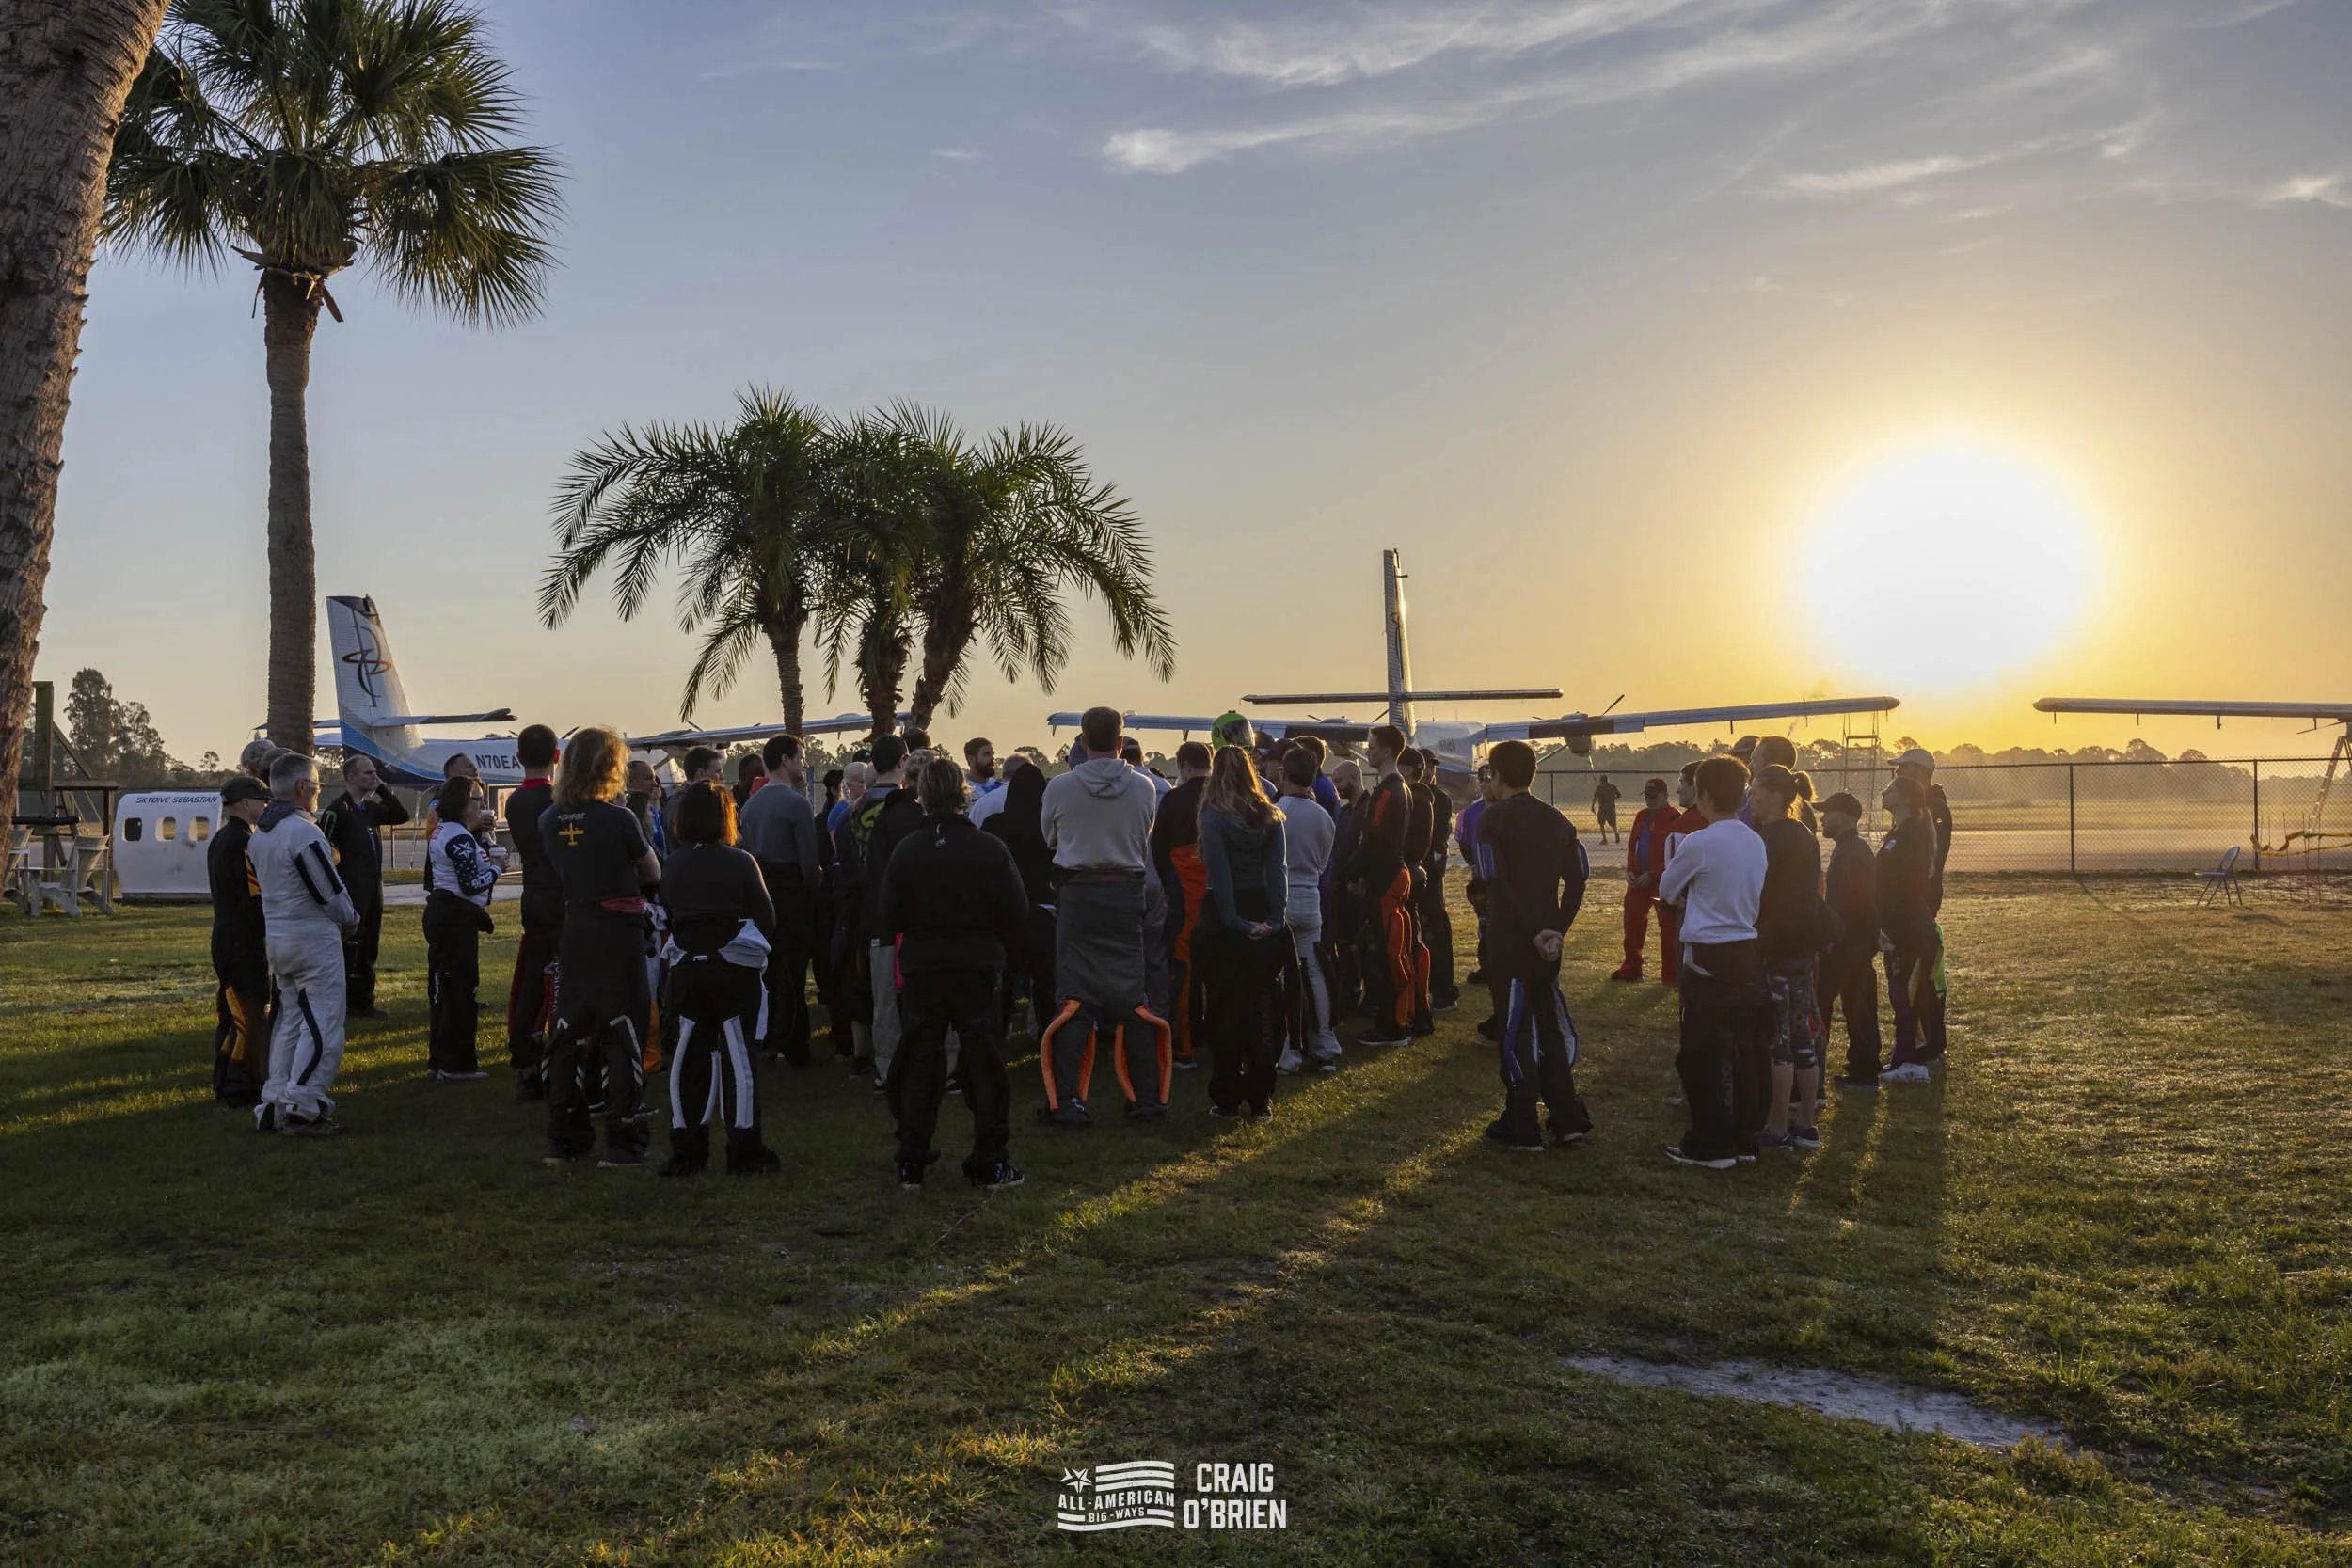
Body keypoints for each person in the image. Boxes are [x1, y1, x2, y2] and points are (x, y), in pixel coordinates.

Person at [880, 758, 1028, 1190]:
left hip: (925, 965)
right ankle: (990, 1157)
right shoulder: (988, 848)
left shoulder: (907, 850)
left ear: (922, 794)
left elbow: (888, 915)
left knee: (921, 1061)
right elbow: (1015, 912)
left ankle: (912, 1157)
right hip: (976, 963)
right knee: (983, 1060)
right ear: (962, 792)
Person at [1038, 705, 1170, 1125]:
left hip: (1077, 894)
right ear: (1120, 741)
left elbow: (1049, 837)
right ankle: (1147, 1097)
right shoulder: (1145, 787)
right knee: (1133, 994)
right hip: (1126, 894)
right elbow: (1143, 833)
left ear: (1081, 742)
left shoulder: (1059, 788)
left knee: (1075, 996)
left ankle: (1070, 1101)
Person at [540, 726, 662, 1167]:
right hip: (618, 932)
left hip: (576, 927)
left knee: (568, 1031)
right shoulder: (619, 818)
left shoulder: (549, 820)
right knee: (622, 1031)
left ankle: (565, 1136)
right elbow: (652, 873)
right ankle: (624, 1139)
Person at [656, 780, 781, 1178]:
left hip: (687, 968)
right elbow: (767, 918)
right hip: (732, 969)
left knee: (687, 1060)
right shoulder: (739, 861)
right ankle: (745, 1149)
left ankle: (686, 1148)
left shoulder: (672, 863)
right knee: (739, 1059)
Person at [1479, 740, 1593, 1151]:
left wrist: (1530, 931)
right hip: (1549, 940)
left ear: (1495, 775)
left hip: (1511, 939)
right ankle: (1567, 1116)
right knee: (1548, 1024)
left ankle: (1522, 1116)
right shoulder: (1559, 821)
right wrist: (1556, 928)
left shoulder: (1492, 822)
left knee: (1513, 1026)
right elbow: (1579, 877)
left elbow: (1496, 882)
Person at [1655, 755, 1768, 1170]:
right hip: (1746, 950)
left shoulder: (1699, 841)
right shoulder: (1755, 840)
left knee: (1700, 1053)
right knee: (1743, 1051)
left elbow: (1668, 890)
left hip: (1707, 955)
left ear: (1702, 795)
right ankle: (1743, 1137)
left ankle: (1709, 1142)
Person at [246, 752, 361, 1135]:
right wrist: (350, 917)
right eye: (315, 784)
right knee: (323, 1024)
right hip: (312, 939)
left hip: (278, 937)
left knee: (290, 1023)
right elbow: (327, 889)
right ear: (301, 787)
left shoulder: (261, 833)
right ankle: (303, 1102)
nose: (318, 792)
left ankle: (275, 1098)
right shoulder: (302, 832)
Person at [1195, 746, 1289, 1118]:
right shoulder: (1271, 815)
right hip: (1263, 906)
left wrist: (1235, 920)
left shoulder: (1213, 817)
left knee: (1224, 1007)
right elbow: (1277, 870)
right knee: (1264, 1006)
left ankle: (1227, 1092)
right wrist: (1275, 918)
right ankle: (1262, 1092)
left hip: (1225, 916)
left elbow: (1219, 873)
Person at [1750, 765, 1827, 1151]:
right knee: (1802, 1036)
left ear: (1778, 797)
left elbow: (1760, 891)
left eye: (1757, 792)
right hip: (1802, 943)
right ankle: (1807, 1122)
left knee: (1778, 1039)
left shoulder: (1770, 838)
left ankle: (1777, 1124)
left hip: (1776, 945)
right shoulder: (1805, 835)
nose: (1751, 799)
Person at [1342, 725, 1428, 1048]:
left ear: (1389, 751)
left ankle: (1392, 1025)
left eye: (1372, 746)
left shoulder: (1390, 790)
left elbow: (1373, 841)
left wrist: (1348, 874)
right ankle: (1397, 1018)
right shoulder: (1399, 787)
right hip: (1390, 873)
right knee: (1390, 950)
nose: (1368, 750)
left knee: (1386, 954)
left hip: (1386, 877)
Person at [739, 734, 821, 1067]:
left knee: (769, 972)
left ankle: (767, 1039)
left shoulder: (750, 806)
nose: (803, 763)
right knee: (793, 972)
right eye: (800, 757)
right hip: (790, 892)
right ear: (785, 760)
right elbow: (808, 862)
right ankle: (794, 1043)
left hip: (760, 893)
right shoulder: (796, 804)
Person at [421, 773, 501, 1083]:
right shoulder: (457, 837)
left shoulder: (448, 831)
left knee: (445, 989)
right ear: (464, 803)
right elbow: (470, 884)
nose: (481, 804)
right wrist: (496, 870)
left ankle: (440, 1060)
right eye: (477, 799)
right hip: (454, 918)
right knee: (459, 990)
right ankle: (455, 1064)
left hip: (446, 915)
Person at [856, 736, 926, 1087]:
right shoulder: (910, 811)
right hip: (911, 910)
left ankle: (887, 1067)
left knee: (883, 996)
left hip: (873, 908)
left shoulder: (858, 805)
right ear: (902, 761)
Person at [316, 754, 408, 1018]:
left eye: (374, 773)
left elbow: (400, 815)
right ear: (351, 777)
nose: (373, 777)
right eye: (367, 774)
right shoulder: (339, 810)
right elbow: (324, 848)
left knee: (370, 944)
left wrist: (381, 789)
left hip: (373, 887)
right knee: (350, 945)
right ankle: (341, 1001)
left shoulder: (369, 810)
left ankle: (363, 1000)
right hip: (350, 887)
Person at [503, 724, 563, 1100]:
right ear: (557, 756)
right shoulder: (560, 799)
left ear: (519, 758)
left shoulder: (514, 802)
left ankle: (526, 1053)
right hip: (563, 896)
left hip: (533, 896)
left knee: (531, 979)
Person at [1273, 749, 1341, 1074]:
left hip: (1283, 896)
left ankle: (1288, 1050)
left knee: (1283, 977)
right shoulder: (1324, 817)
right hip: (1310, 895)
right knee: (1313, 971)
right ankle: (1324, 1042)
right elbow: (1325, 861)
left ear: (1284, 773)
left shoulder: (1275, 813)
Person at [1150, 740, 1214, 1070]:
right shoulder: (1225, 796)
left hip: (1185, 896)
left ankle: (1184, 1047)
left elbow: (1158, 850)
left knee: (1184, 972)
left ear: (1185, 766)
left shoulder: (1174, 800)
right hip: (1224, 896)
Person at [207, 775, 271, 1106]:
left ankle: (224, 1079)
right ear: (246, 803)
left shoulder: (221, 838)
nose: (266, 806)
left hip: (225, 935)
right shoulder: (245, 842)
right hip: (243, 940)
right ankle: (240, 1086)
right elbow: (254, 898)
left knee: (231, 1014)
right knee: (248, 1015)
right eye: (262, 800)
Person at [1877, 775, 1944, 1082]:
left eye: (1890, 790)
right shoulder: (1899, 831)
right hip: (1898, 927)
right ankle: (1902, 1058)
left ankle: (1912, 1062)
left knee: (1910, 996)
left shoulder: (1914, 834)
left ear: (1905, 798)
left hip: (1912, 930)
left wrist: (1892, 922)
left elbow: (1907, 884)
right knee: (1899, 994)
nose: (1883, 793)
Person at [984, 758, 1058, 1035]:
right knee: (1045, 982)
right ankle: (1048, 1032)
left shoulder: (994, 825)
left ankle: (998, 1032)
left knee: (1003, 980)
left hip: (1005, 914)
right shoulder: (1048, 825)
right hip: (1043, 909)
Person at [1819, 792, 1884, 1090]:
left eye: (1828, 813)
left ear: (1845, 817)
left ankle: (1864, 1072)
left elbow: (1863, 900)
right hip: (1847, 942)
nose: (1823, 819)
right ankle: (1860, 1067)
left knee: (1855, 1008)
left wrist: (1862, 940)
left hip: (1850, 944)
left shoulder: (1853, 851)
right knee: (1851, 1007)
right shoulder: (1846, 848)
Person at [828, 760, 877, 1070]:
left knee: (857, 977)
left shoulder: (845, 815)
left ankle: (859, 1053)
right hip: (867, 905)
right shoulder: (853, 816)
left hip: (853, 904)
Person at [1611, 779, 1678, 983]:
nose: (1650, 800)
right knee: (1632, 923)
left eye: (1654, 796)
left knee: (1668, 927)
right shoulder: (1641, 816)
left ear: (1665, 796)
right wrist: (1630, 870)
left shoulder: (1675, 818)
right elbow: (1633, 846)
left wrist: (1654, 873)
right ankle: (1632, 968)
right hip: (1638, 880)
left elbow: (1675, 856)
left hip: (1661, 880)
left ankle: (1671, 974)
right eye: (1647, 796)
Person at [1456, 762, 1503, 1040]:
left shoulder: (1506, 811)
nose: (1485, 785)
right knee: (1485, 928)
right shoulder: (1470, 814)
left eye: (1490, 779)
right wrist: (1477, 871)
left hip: (1503, 884)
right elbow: (1465, 845)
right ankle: (1487, 967)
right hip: (1482, 881)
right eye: (1481, 780)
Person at [1413, 748, 1460, 1013]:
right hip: (1416, 873)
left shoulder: (1438, 798)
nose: (1430, 772)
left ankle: (1443, 991)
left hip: (1431, 875)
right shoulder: (1412, 794)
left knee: (1435, 932)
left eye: (1432, 767)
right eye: (1425, 766)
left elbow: (1435, 839)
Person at [1592, 775, 1622, 844]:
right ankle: (1616, 833)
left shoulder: (1599, 788)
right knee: (1613, 823)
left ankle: (1604, 839)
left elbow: (1595, 797)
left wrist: (1592, 806)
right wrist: (1613, 797)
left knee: (1601, 823)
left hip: (1602, 808)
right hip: (1611, 807)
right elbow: (1619, 795)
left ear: (1601, 781)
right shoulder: (1612, 787)